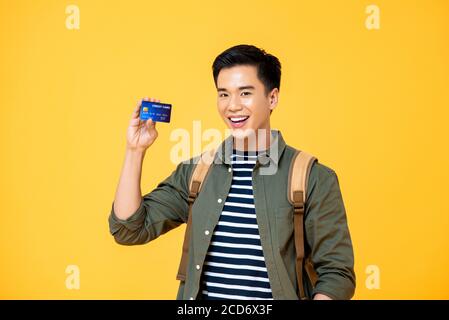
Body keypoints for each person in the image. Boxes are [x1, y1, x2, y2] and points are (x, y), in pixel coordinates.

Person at [109, 44, 356, 300]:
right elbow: (129, 229)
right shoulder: (195, 173)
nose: (232, 106)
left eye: (245, 93)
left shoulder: (312, 177)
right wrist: (135, 150)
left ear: (272, 98)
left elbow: (337, 273)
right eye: (223, 94)